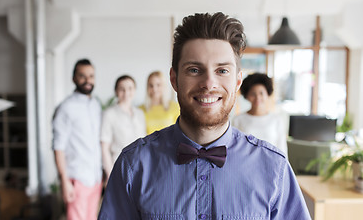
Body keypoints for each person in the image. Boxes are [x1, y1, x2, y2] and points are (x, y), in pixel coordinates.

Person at [98, 12, 310, 219]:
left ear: (237, 81)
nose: (209, 83)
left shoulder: (274, 169)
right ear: (174, 79)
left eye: (222, 71)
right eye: (194, 70)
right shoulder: (133, 166)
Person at [52, 59, 102, 220]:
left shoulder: (95, 105)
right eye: (82, 76)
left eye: (91, 76)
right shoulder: (65, 108)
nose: (88, 80)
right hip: (77, 180)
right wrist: (64, 181)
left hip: (95, 179)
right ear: (74, 78)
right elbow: (58, 146)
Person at [101, 75, 146, 183]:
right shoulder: (109, 114)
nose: (126, 92)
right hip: (119, 170)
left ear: (134, 90)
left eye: (130, 88)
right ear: (116, 91)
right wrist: (110, 175)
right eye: (122, 89)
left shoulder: (140, 113)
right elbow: (104, 148)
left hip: (140, 170)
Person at [232, 73, 288, 155]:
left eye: (261, 93)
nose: (258, 97)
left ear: (267, 94)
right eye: (253, 94)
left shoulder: (276, 120)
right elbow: (234, 148)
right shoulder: (238, 119)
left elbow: (282, 149)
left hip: (271, 164)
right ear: (247, 96)